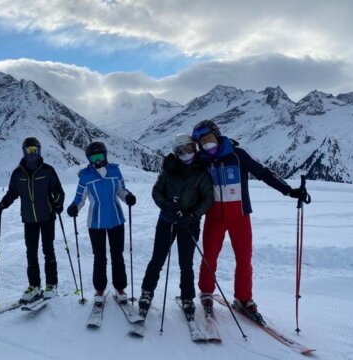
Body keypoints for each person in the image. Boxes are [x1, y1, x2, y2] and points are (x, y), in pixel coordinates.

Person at [191, 120, 308, 320]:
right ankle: (206, 292)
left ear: (217, 135)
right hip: (214, 218)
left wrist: (288, 190)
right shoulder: (201, 161)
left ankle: (244, 298)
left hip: (240, 216)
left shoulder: (238, 155)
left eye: (208, 138)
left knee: (244, 259)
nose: (206, 143)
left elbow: (264, 173)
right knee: (209, 257)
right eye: (201, 141)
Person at [138, 134, 213, 319]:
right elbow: (157, 191)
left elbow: (208, 198)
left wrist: (193, 214)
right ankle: (147, 292)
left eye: (189, 149)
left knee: (186, 262)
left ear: (194, 149)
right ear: (176, 153)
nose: (186, 154)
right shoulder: (168, 171)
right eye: (182, 151)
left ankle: (187, 297)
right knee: (158, 259)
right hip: (167, 221)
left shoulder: (201, 172)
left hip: (189, 223)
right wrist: (165, 205)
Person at [0, 137, 65, 303]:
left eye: (34, 150)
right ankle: (34, 286)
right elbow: (12, 192)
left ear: (39, 150)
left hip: (47, 216)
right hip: (29, 218)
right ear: (24, 152)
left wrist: (58, 203)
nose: (31, 154)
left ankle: (51, 284)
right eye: (28, 150)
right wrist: (3, 204)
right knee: (31, 253)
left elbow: (59, 191)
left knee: (48, 250)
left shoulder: (48, 170)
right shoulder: (18, 174)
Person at [67, 142, 136, 306]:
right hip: (96, 222)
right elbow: (80, 198)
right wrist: (74, 207)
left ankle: (120, 288)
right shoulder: (86, 175)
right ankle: (100, 289)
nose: (97, 160)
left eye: (100, 156)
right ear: (89, 159)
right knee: (99, 257)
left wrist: (128, 197)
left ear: (105, 155)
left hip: (116, 219)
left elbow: (121, 190)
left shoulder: (114, 170)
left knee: (117, 255)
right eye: (93, 157)